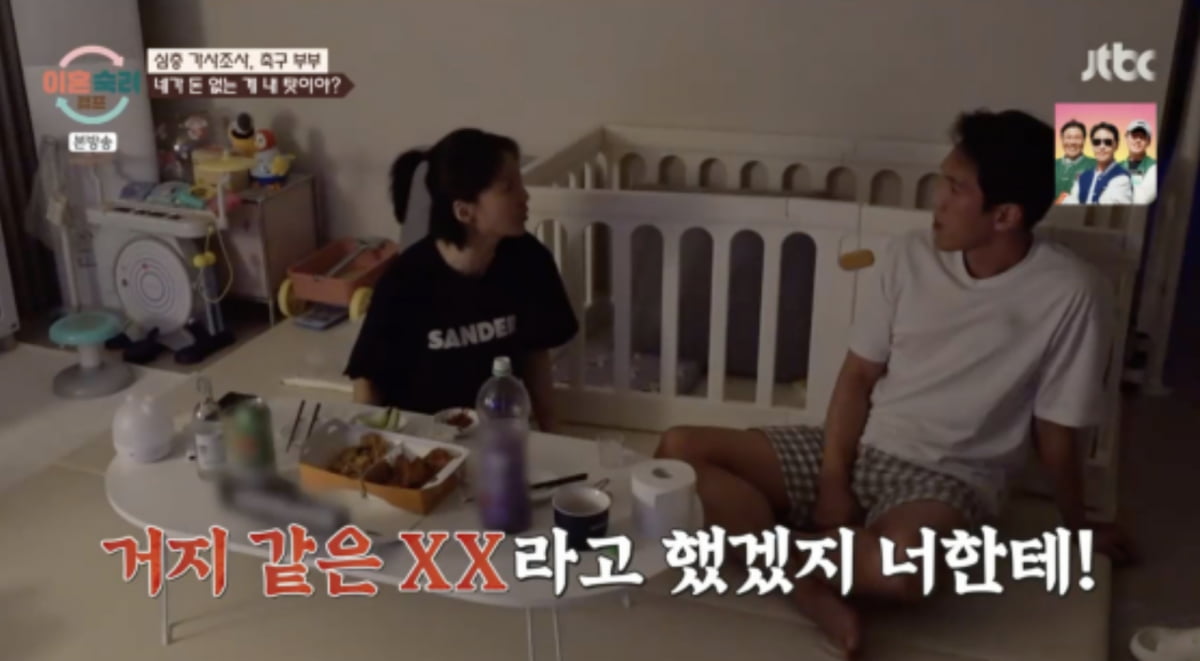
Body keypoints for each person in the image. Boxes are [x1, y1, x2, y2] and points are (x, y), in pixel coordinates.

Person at [654, 109, 1137, 658]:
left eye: (955, 188)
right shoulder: (910, 255)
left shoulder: (1071, 292)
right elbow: (858, 376)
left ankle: (776, 555)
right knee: (678, 452)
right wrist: (834, 479)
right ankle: (806, 577)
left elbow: (1057, 430)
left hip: (948, 476)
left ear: (1005, 215)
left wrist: (1075, 527)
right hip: (865, 446)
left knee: (904, 569)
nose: (937, 200)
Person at [344, 128, 579, 433]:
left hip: (496, 430)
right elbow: (367, 377)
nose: (524, 196)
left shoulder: (529, 260)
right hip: (421, 435)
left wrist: (552, 429)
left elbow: (535, 352)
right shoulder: (405, 280)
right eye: (508, 188)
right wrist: (368, 440)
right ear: (465, 211)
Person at [1063, 122, 1133, 204]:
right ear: (1092, 145)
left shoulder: (1122, 178)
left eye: (1108, 142)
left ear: (1116, 145)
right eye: (1097, 142)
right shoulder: (1083, 177)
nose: (1102, 146)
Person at [1054, 119, 1095, 201]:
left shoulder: (1097, 165)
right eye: (1068, 137)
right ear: (1062, 139)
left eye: (1077, 138)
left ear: (1084, 140)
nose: (1072, 142)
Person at [1121, 119, 1158, 205]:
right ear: (1126, 138)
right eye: (1134, 136)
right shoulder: (1116, 167)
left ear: (1149, 142)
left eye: (1142, 137)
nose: (1138, 140)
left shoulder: (1154, 167)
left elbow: (1143, 199)